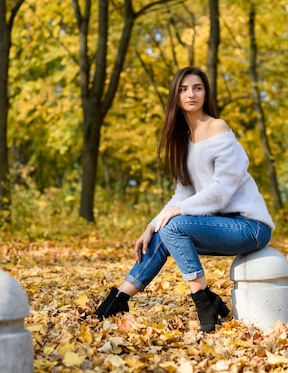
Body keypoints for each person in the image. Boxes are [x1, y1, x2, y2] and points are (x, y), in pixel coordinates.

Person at [93, 66, 275, 332]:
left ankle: (204, 300)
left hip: (249, 226)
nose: (191, 94)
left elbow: (223, 189)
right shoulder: (185, 141)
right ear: (176, 97)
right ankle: (117, 301)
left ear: (205, 93)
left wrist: (177, 211)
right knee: (162, 232)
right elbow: (183, 194)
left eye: (197, 88)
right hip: (219, 225)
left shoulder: (218, 128)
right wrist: (151, 225)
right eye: (184, 89)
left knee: (174, 226)